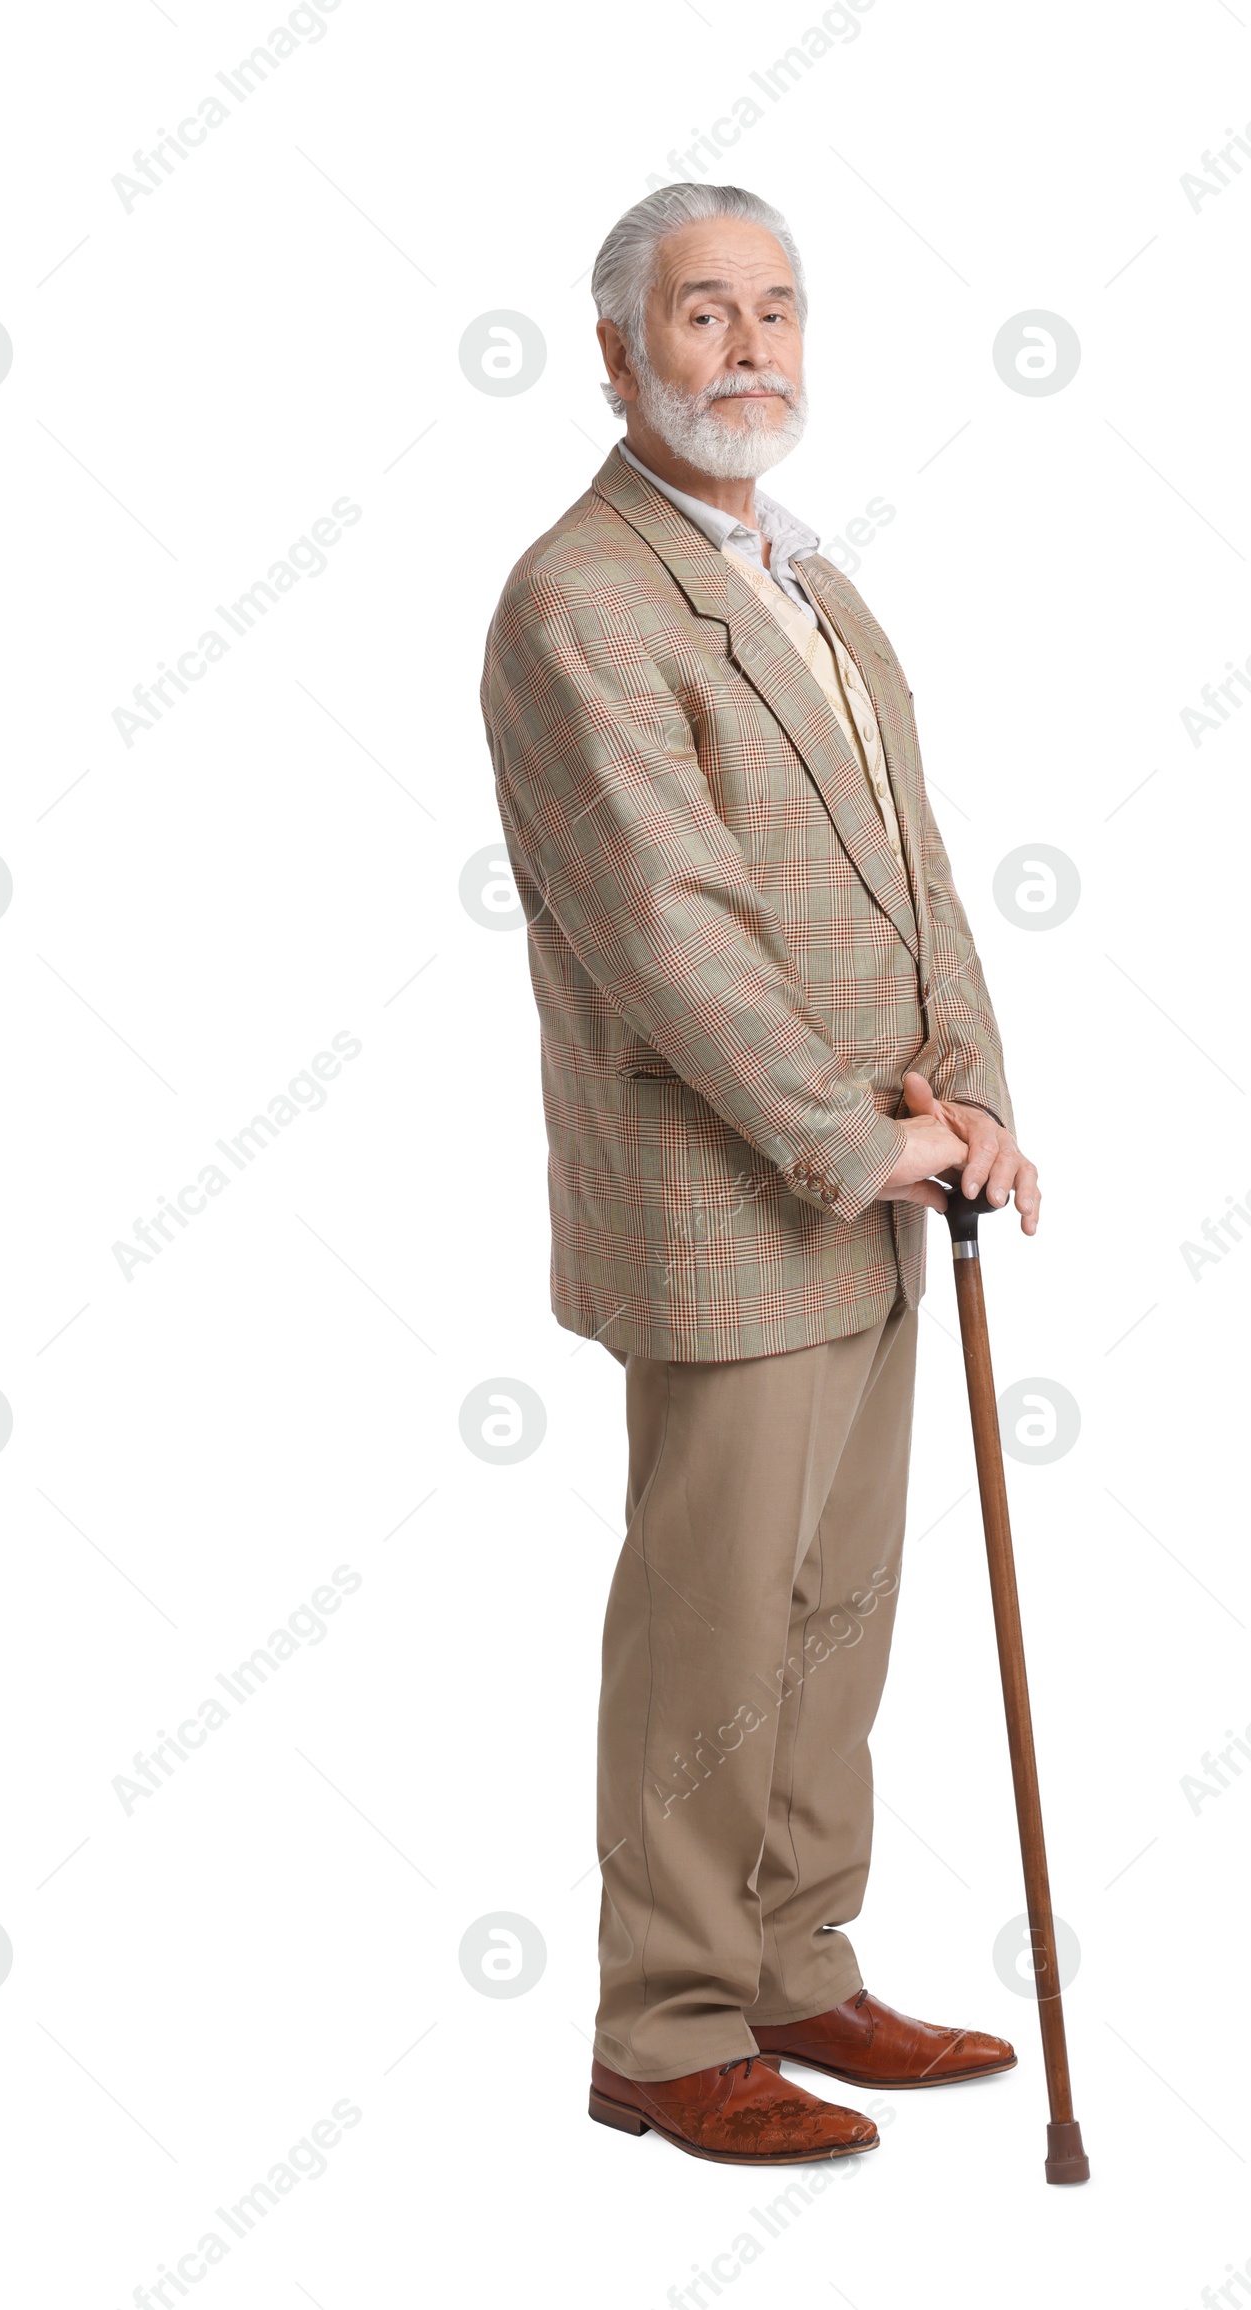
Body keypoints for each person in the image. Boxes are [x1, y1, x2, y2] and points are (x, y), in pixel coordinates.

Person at [480, 182, 1041, 2167]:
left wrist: (963, 1100)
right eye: (701, 316)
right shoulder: (582, 598)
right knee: (714, 1626)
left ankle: (798, 1966)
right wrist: (847, 1133)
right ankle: (666, 2019)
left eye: (777, 309)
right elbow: (672, 925)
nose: (750, 349)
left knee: (833, 1608)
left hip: (879, 1192)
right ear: (619, 352)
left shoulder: (804, 573)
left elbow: (907, 867)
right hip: (725, 1202)